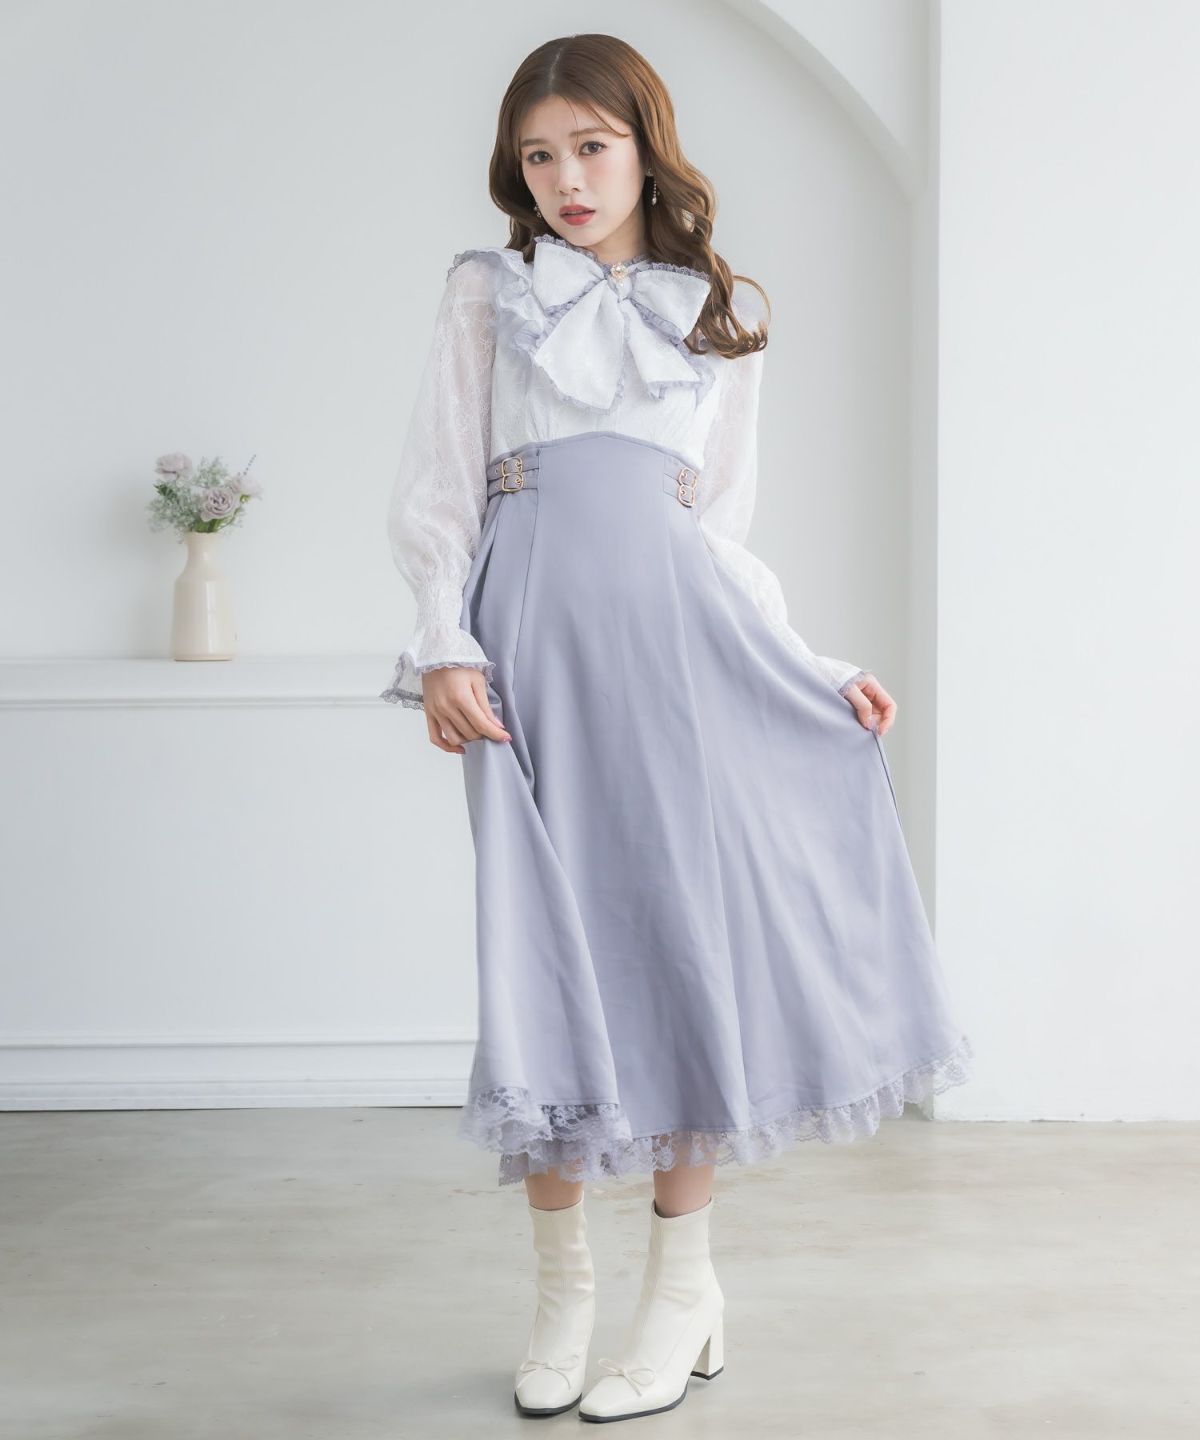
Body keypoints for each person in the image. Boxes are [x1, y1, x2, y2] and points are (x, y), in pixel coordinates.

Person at [380, 32, 974, 1425]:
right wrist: (445, 644)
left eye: (591, 146)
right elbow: (436, 491)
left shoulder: (712, 312)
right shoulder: (488, 294)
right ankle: (561, 1290)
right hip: (529, 652)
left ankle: (682, 1288)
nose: (567, 178)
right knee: (542, 955)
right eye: (540, 156)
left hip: (681, 654)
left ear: (646, 147)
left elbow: (718, 534)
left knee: (675, 941)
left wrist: (810, 666)